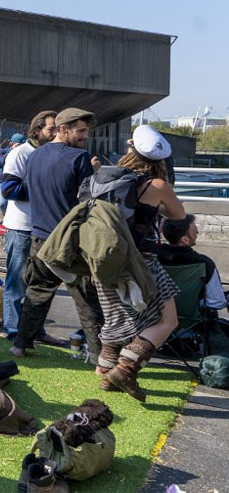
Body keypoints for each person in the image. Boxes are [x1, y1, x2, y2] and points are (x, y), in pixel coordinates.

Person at [94, 126, 185, 401]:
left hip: (102, 259)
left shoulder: (105, 178)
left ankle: (105, 371)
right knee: (168, 320)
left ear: (129, 150)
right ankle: (125, 369)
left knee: (114, 317)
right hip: (141, 261)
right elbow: (179, 215)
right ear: (159, 160)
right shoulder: (156, 185)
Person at [10, 108, 104, 360]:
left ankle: (20, 345)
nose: (85, 136)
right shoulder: (79, 157)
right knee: (86, 299)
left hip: (40, 238)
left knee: (36, 294)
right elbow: (88, 200)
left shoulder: (35, 156)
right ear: (64, 129)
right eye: (81, 131)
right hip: (70, 241)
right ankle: (98, 355)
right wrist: (93, 171)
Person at [0, 111, 67, 346]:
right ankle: (12, 329)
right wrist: (43, 189)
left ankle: (35, 330)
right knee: (17, 281)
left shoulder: (54, 154)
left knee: (41, 283)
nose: (56, 133)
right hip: (21, 227)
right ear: (37, 130)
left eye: (58, 128)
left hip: (46, 228)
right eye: (51, 129)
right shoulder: (19, 153)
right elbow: (8, 190)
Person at [160, 214, 227, 310]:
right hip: (194, 321)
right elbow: (217, 302)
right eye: (195, 232)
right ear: (185, 240)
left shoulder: (152, 260)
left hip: (157, 319)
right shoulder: (204, 263)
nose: (198, 233)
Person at [0, 133, 27, 212]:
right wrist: (12, 152)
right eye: (18, 145)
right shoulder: (2, 152)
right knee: (1, 204)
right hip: (4, 181)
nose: (20, 147)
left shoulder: (25, 152)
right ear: (12, 143)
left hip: (21, 182)